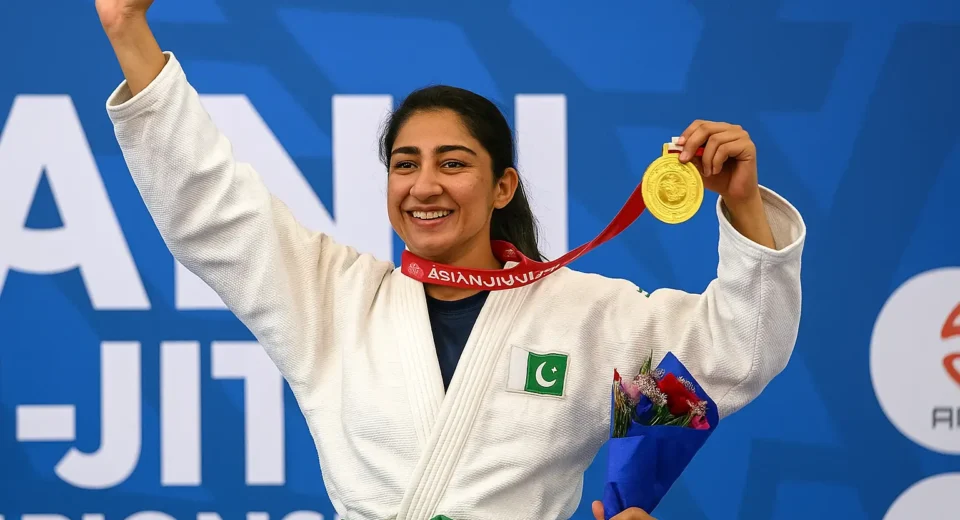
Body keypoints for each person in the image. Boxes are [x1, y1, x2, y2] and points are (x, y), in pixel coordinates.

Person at [94, 1, 804, 519]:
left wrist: (741, 204)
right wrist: (130, 32)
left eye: (452, 163)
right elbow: (212, 210)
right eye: (405, 164)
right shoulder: (334, 299)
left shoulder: (587, 313)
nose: (424, 185)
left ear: (503, 187)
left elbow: (736, 353)